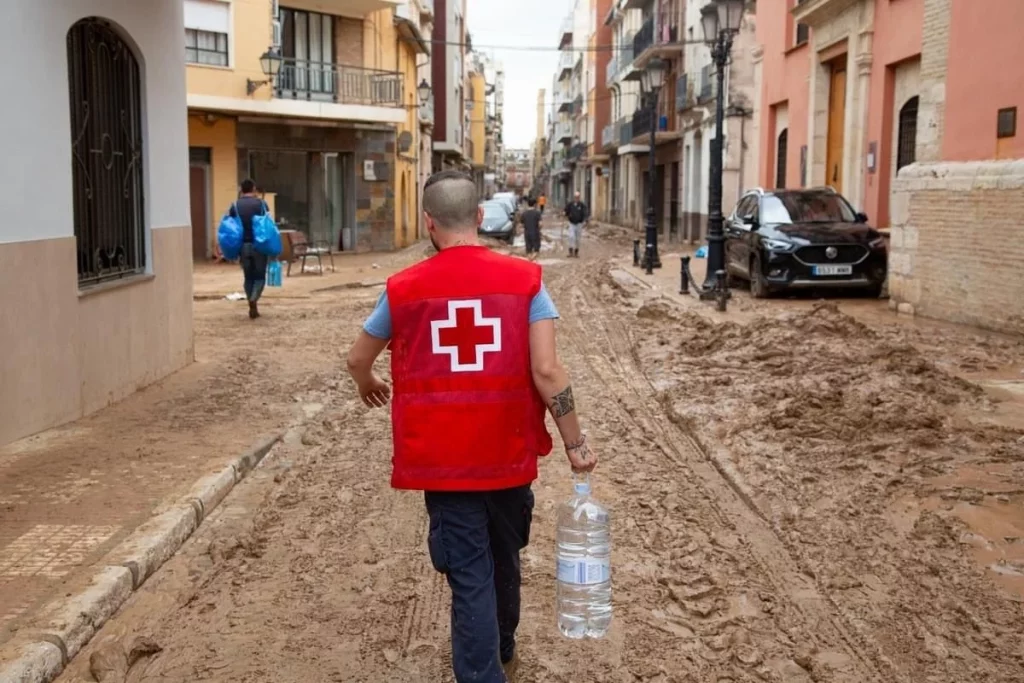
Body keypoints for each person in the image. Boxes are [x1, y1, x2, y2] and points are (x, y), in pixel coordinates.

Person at [346, 170, 597, 683]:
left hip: (443, 464)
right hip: (507, 455)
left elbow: (357, 358)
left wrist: (368, 381)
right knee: (505, 557)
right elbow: (548, 371)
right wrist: (576, 444)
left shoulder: (403, 290)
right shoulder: (526, 283)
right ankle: (503, 646)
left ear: (428, 223)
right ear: (480, 218)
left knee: (469, 578)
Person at [228, 179, 269, 319]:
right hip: (259, 245)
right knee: (260, 277)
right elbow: (267, 223)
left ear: (241, 189)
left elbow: (231, 225)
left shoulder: (235, 206)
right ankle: (253, 299)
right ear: (254, 188)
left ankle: (252, 304)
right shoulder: (261, 204)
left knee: (248, 277)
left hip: (243, 246)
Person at [563, 191, 588, 258]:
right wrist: (565, 213)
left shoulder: (582, 205)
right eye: (575, 197)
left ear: (579, 197)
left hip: (579, 224)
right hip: (571, 223)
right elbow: (566, 210)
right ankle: (570, 251)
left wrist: (585, 220)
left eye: (578, 197)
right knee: (571, 237)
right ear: (574, 197)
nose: (576, 198)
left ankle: (576, 252)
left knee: (577, 239)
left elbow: (585, 213)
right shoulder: (570, 204)